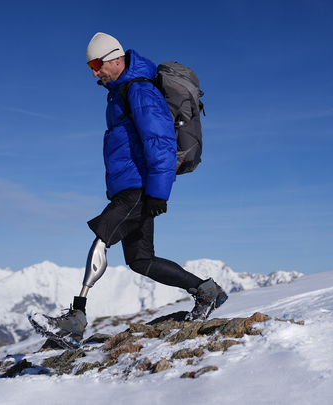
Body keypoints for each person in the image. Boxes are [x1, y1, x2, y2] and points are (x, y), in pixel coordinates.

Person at [30, 33, 227, 342]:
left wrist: (158, 192)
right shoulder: (124, 91)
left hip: (137, 188)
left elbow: (159, 141)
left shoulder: (139, 90)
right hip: (135, 186)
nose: (94, 72)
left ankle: (75, 321)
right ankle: (207, 292)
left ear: (116, 59)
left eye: (97, 64)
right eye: (90, 67)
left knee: (101, 238)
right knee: (140, 260)